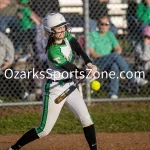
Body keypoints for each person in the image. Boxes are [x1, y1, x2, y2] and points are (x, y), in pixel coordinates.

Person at [7, 12, 97, 150]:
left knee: (86, 120)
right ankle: (14, 148)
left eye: (63, 27)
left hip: (69, 85)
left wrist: (89, 64)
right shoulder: (53, 50)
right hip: (55, 89)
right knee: (44, 130)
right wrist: (85, 73)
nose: (62, 30)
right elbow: (69, 67)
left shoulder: (65, 35)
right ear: (50, 31)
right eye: (58, 28)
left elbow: (77, 48)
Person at [89, 16, 148, 99]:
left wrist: (111, 56)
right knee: (115, 56)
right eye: (102, 24)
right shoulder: (92, 35)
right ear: (98, 25)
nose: (104, 26)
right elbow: (92, 53)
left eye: (106, 24)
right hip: (97, 61)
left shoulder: (110, 34)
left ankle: (113, 94)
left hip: (110, 60)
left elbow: (118, 48)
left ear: (109, 26)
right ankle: (132, 78)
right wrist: (109, 57)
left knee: (114, 66)